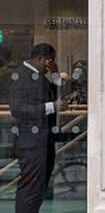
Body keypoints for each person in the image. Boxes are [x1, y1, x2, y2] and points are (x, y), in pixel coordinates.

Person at [10, 43, 63, 213]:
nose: (50, 65)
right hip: (31, 144)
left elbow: (55, 95)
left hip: (43, 141)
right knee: (30, 190)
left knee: (39, 189)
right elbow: (17, 109)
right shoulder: (21, 75)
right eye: (50, 61)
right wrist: (51, 107)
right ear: (41, 58)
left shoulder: (38, 75)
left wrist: (56, 72)